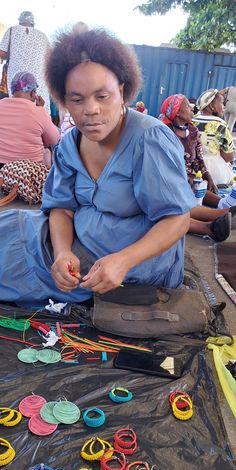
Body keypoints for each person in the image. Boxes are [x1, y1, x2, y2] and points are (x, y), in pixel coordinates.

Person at [0, 28, 196, 306]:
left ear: (123, 91)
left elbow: (178, 219)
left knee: (9, 268)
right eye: (76, 99)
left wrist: (124, 261)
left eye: (102, 96)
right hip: (76, 247)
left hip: (131, 265)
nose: (90, 109)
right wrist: (61, 253)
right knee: (10, 226)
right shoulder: (69, 145)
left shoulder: (148, 140)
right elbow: (61, 207)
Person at [159, 94, 234, 241]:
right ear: (177, 113)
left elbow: (199, 157)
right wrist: (183, 179)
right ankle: (217, 220)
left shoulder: (192, 131)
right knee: (178, 202)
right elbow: (163, 163)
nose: (192, 109)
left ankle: (224, 213)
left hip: (189, 178)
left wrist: (207, 176)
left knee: (195, 191)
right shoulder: (163, 132)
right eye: (187, 106)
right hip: (171, 179)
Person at [0, 72, 60, 167]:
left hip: (2, 170)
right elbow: (55, 140)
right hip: (29, 173)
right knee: (48, 152)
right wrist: (42, 110)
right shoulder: (37, 111)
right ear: (33, 93)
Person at [0, 11, 50, 112]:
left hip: (17, 81)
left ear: (19, 21)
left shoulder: (11, 31)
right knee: (38, 109)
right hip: (38, 81)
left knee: (17, 110)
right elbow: (50, 56)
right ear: (33, 23)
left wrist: (14, 54)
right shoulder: (43, 36)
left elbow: (2, 52)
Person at [193, 89, 235, 186]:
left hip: (192, 170)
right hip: (214, 172)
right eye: (222, 103)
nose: (224, 107)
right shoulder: (220, 124)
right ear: (211, 106)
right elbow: (229, 157)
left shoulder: (191, 119)